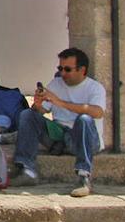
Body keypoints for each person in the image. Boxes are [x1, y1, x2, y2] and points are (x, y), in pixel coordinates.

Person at [11, 47, 106, 198]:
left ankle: (84, 177)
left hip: (82, 139)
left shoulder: (95, 88)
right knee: (27, 115)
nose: (63, 73)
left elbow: (98, 112)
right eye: (60, 68)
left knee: (84, 119)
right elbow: (44, 112)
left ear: (82, 70)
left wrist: (60, 102)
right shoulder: (56, 83)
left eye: (67, 69)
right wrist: (37, 105)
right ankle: (27, 170)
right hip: (59, 136)